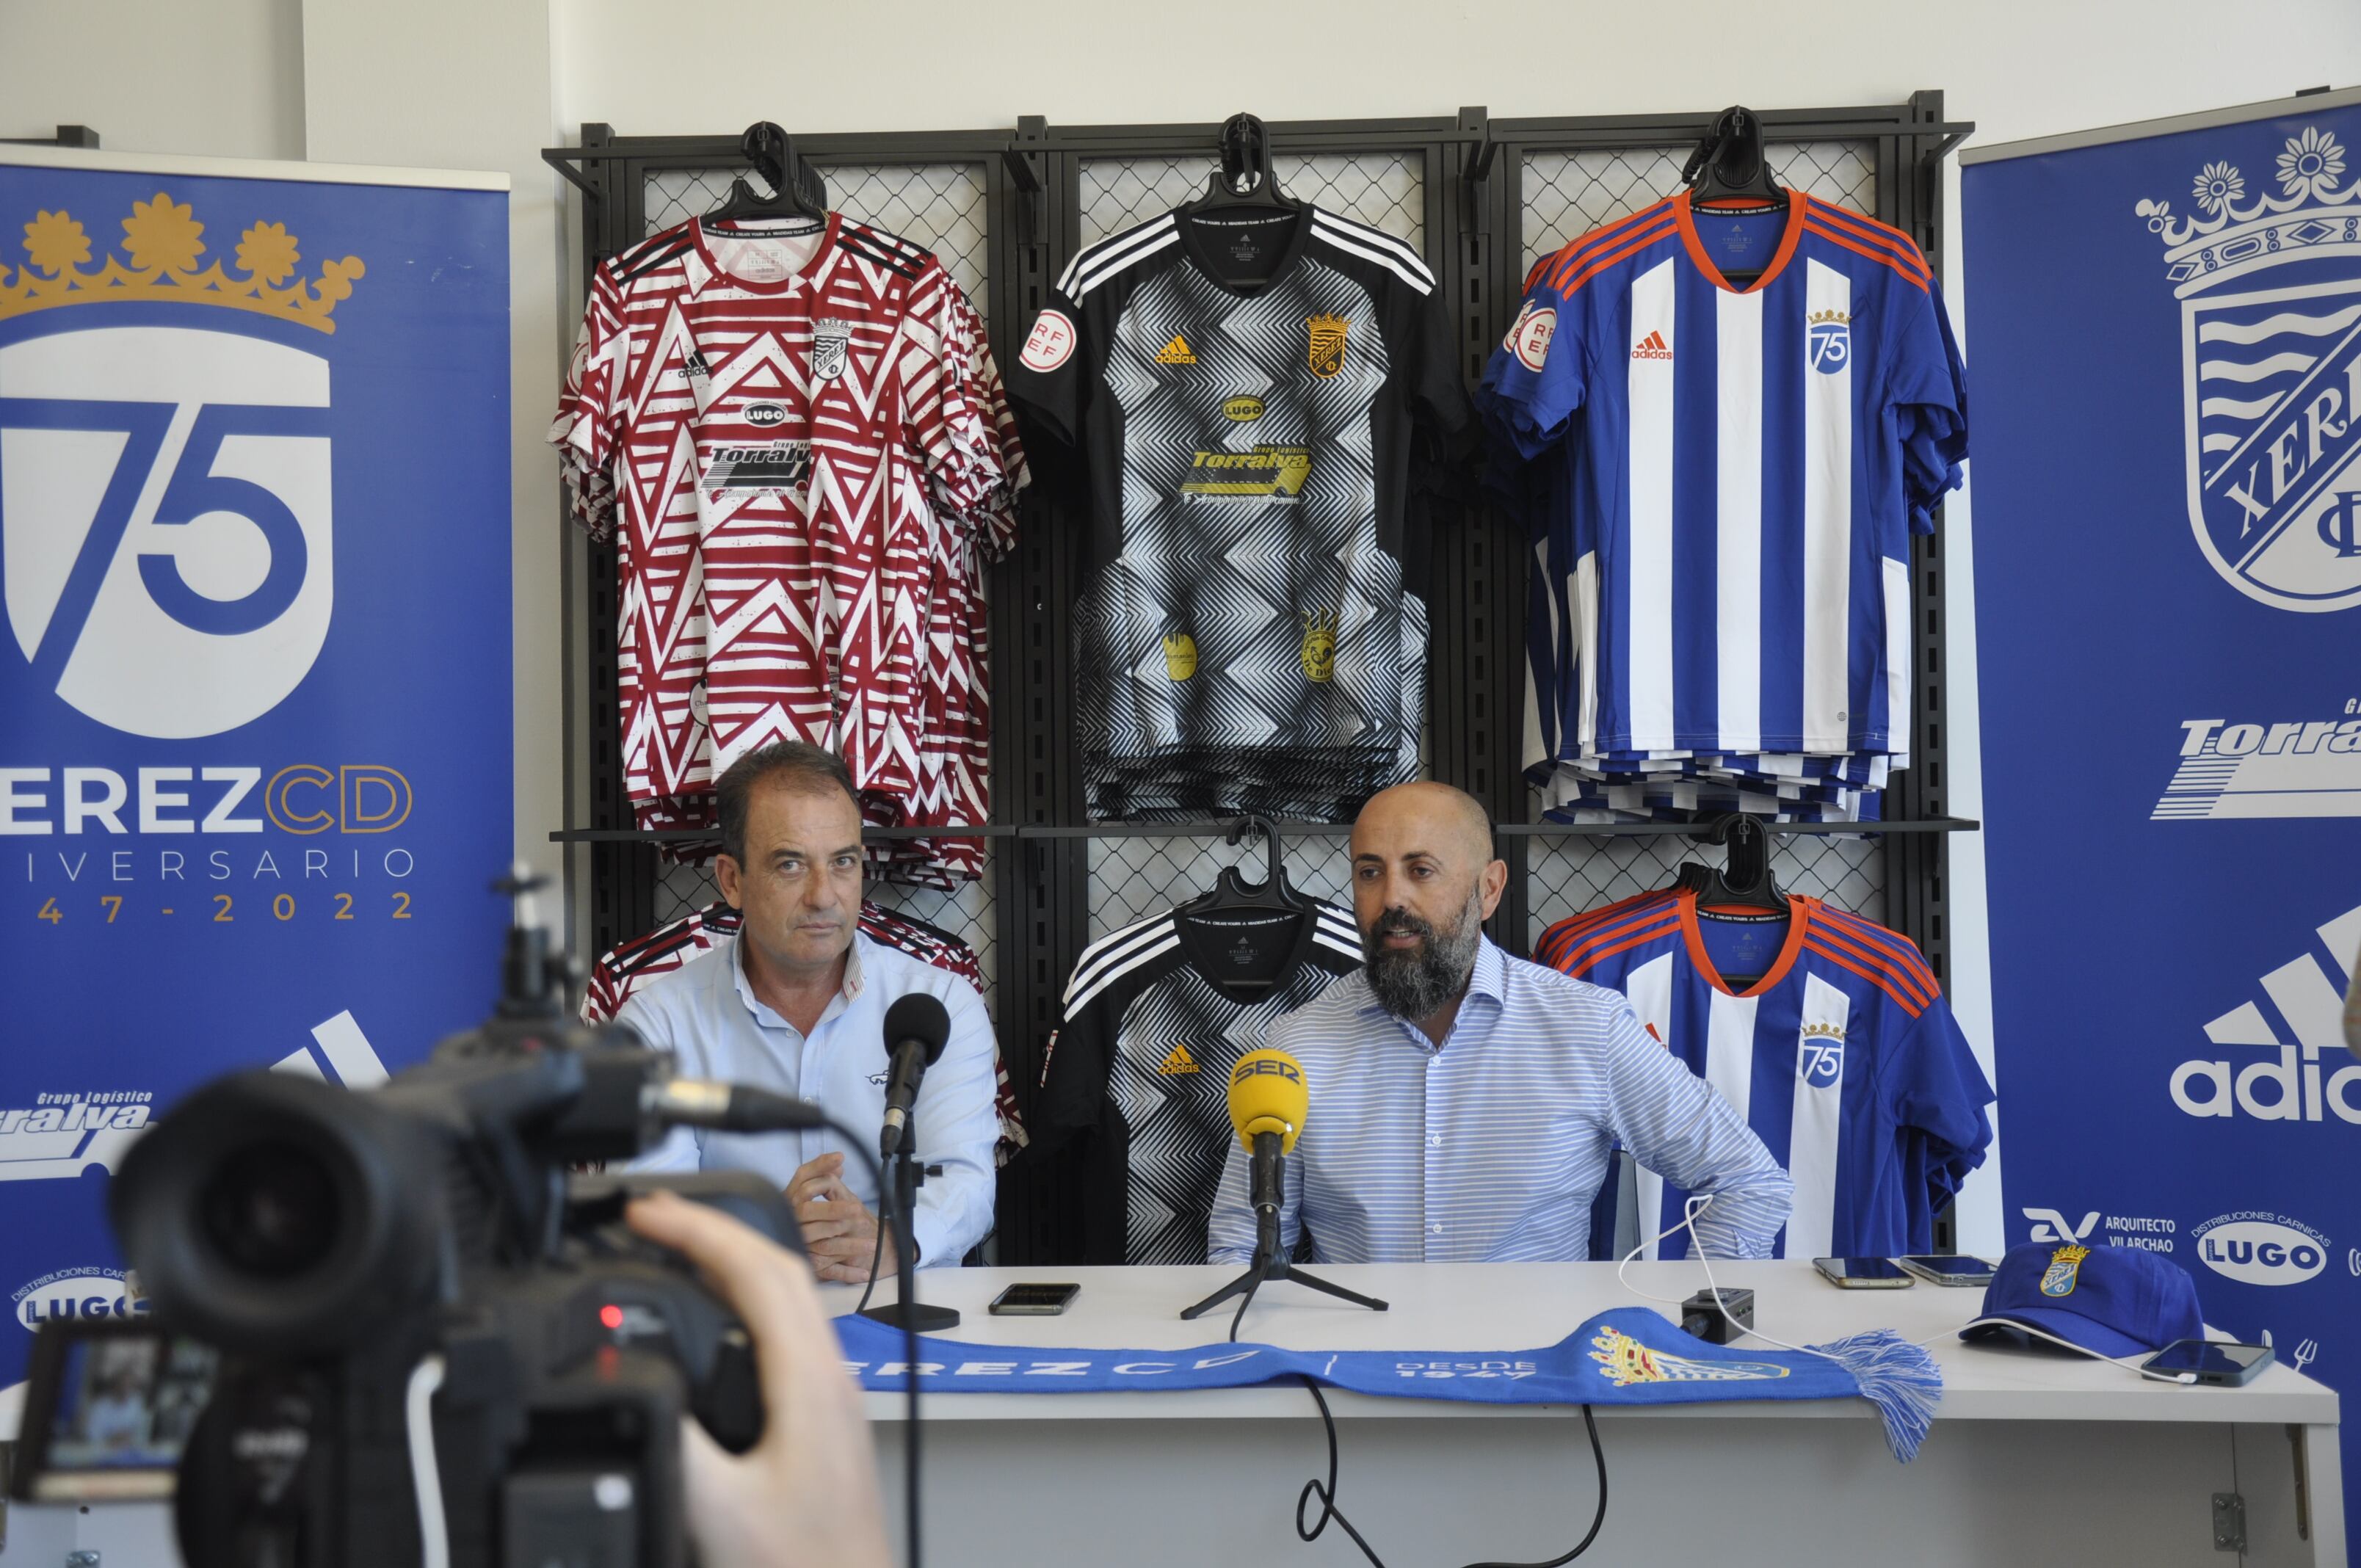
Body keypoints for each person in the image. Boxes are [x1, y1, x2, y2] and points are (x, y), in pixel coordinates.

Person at [1207, 781, 1791, 1264]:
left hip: (1542, 1383)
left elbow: (1748, 1183)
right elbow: (1241, 1247)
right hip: (1359, 1382)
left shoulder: (1588, 1027)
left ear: (1489, 890)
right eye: (1369, 872)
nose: (1391, 899)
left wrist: (1692, 1324)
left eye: (1422, 870)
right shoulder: (1294, 1048)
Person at [623, 742, 997, 1282]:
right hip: (738, 1314)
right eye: (791, 864)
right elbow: (652, 1213)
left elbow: (967, 1182)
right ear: (732, 881)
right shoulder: (657, 1027)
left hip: (905, 1312)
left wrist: (896, 1242)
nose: (825, 896)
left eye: (843, 862)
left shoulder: (940, 1004)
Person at [627, 1190, 892, 1568]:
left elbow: (967, 1176)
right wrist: (763, 1224)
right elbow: (649, 1181)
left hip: (878, 1280)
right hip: (709, 1293)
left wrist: (895, 1240)